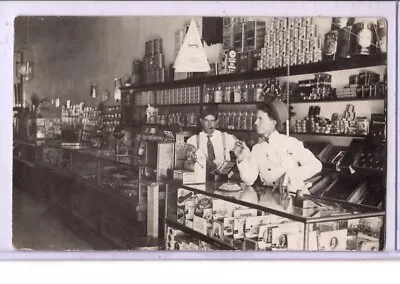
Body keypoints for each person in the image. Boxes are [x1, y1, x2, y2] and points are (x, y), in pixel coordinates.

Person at [234, 100, 322, 193]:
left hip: (293, 198)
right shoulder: (257, 149)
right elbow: (249, 180)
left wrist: (289, 175)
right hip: (269, 199)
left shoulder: (290, 142)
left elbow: (316, 165)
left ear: (273, 123)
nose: (256, 122)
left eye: (260, 119)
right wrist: (242, 159)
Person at [186, 105, 238, 173]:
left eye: (212, 121)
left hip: (223, 178)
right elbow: (188, 164)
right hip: (201, 178)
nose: (210, 124)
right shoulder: (192, 141)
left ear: (217, 121)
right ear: (201, 121)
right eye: (206, 121)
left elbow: (244, 152)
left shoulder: (227, 138)